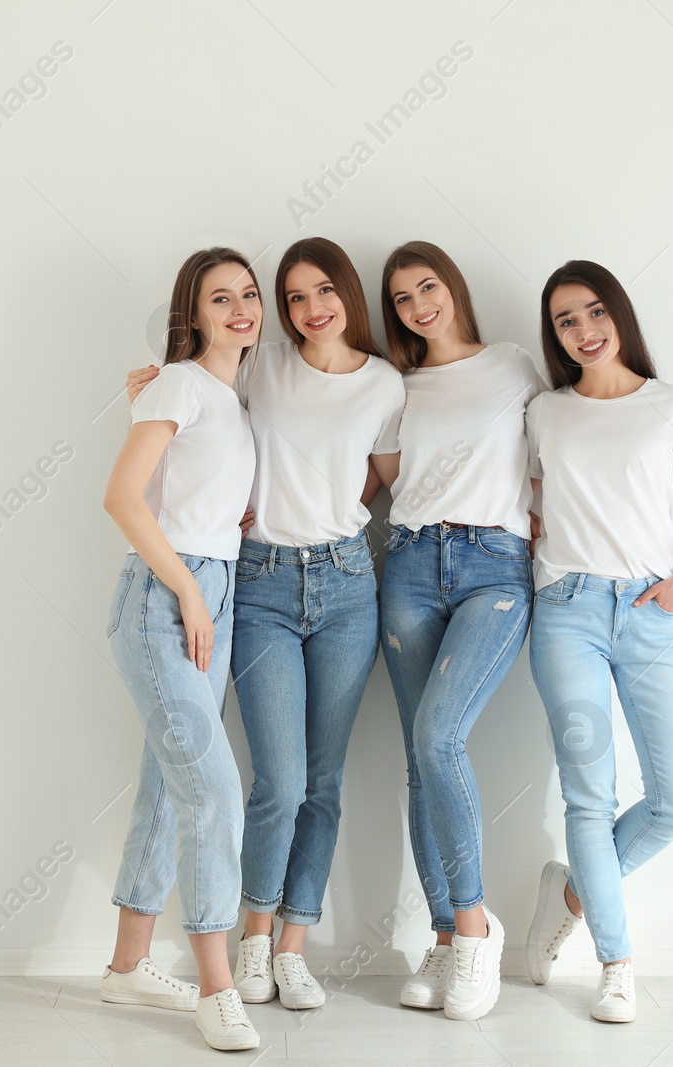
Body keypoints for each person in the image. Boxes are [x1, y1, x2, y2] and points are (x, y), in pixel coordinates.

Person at [126, 237, 406, 1011]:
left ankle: (292, 947)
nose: (310, 309)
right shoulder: (262, 364)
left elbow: (384, 484)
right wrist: (142, 390)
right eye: (293, 298)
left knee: (324, 782)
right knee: (277, 780)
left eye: (324, 291)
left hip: (350, 582)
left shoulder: (386, 384)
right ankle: (250, 936)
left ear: (347, 293)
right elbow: (198, 416)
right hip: (261, 583)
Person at [522, 260, 673, 1023]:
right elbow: (528, 503)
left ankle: (571, 891)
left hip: (650, 612)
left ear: (620, 316)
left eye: (594, 312)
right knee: (589, 792)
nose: (584, 330)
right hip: (567, 610)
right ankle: (615, 962)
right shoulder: (544, 412)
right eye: (566, 321)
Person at [369, 240, 548, 1021]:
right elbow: (367, 472)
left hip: (493, 567)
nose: (417, 307)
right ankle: (444, 936)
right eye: (403, 299)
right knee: (419, 759)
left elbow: (563, 441)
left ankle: (476, 930)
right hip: (407, 561)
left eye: (427, 287)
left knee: (441, 736)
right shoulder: (393, 384)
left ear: (454, 287)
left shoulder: (511, 364)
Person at [99, 247, 263, 1052]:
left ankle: (129, 965)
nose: (239, 308)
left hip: (217, 589)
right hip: (167, 597)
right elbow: (121, 497)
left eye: (248, 294)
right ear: (192, 313)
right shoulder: (176, 383)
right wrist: (190, 590)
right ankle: (216, 987)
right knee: (215, 791)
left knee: (171, 787)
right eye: (219, 297)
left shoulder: (235, 399)